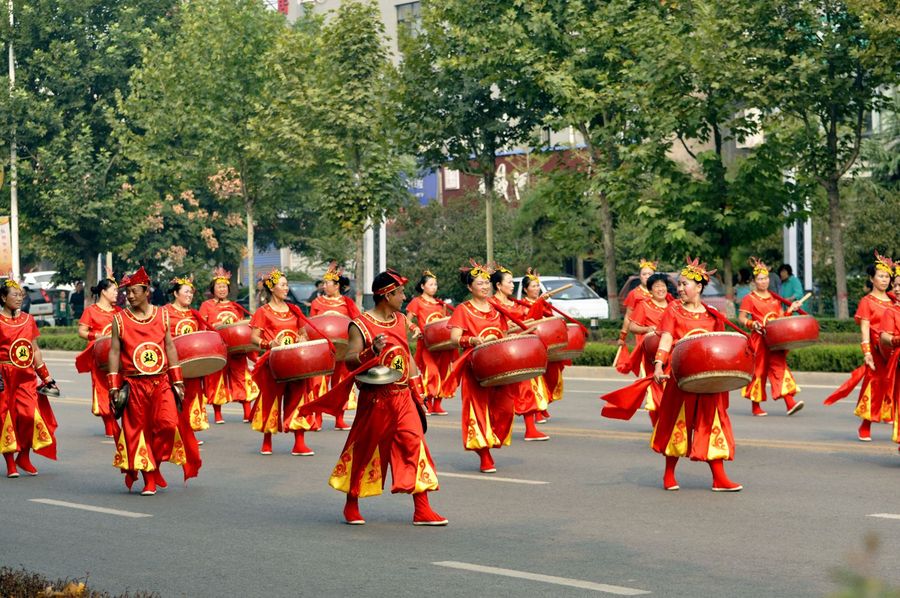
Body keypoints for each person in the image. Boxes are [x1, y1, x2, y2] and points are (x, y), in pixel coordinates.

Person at [300, 269, 447, 526]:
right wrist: (371, 351)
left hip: (403, 397)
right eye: (399, 293)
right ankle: (351, 502)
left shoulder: (400, 320)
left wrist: (417, 391)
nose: (403, 297)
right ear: (387, 294)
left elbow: (408, 358)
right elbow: (349, 359)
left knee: (415, 444)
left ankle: (422, 508)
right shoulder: (360, 324)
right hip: (375, 398)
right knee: (365, 449)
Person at [602, 258, 743, 492]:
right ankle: (669, 474)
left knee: (711, 422)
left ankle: (719, 478)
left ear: (698, 287)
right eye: (678, 284)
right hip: (681, 375)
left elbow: (720, 345)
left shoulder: (712, 315)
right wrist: (658, 365)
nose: (679, 288)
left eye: (684, 284)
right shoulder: (673, 310)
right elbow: (666, 338)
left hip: (706, 379)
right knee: (677, 422)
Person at [107, 266, 201, 495]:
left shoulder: (162, 315)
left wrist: (177, 381)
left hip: (161, 382)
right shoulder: (119, 319)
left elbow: (169, 346)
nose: (129, 296)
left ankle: (156, 463)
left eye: (134, 291)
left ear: (146, 291)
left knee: (168, 425)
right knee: (140, 432)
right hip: (134, 384)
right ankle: (149, 477)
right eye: (126, 292)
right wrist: (113, 386)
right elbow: (114, 352)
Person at [447, 261, 513, 473]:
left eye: (487, 283)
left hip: (498, 368)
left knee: (506, 409)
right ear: (470, 287)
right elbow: (453, 338)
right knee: (478, 411)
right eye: (479, 283)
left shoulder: (496, 308)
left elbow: (503, 335)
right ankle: (485, 455)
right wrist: (471, 341)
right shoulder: (463, 310)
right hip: (475, 367)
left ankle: (491, 440)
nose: (485, 286)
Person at [825, 252, 895, 441]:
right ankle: (866, 424)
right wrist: (867, 353)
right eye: (880, 276)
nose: (884, 279)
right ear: (872, 279)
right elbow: (865, 328)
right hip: (877, 349)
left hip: (895, 349)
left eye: (887, 276)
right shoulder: (867, 302)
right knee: (873, 385)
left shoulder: (895, 301)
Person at [249, 268, 316, 456]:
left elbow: (303, 333)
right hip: (274, 362)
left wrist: (303, 339)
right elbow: (253, 337)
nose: (287, 288)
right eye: (283, 285)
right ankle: (267, 439)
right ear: (272, 288)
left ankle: (299, 443)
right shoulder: (263, 312)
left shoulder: (294, 310)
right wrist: (268, 343)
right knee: (270, 399)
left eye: (287, 285)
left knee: (298, 397)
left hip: (295, 363)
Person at [1, 278, 59, 479]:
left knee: (30, 416)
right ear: (2, 297)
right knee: (6, 418)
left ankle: (23, 456)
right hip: (4, 377)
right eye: (14, 295)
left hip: (26, 376)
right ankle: (10, 463)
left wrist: (46, 376)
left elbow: (34, 350)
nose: (19, 298)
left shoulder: (28, 319)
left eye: (21, 295)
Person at [490, 263, 550, 442]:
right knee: (500, 396)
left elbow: (531, 318)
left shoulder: (516, 303)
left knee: (527, 388)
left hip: (519, 352)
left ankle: (530, 429)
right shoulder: (492, 304)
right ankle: (493, 429)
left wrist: (539, 303)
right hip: (501, 353)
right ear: (499, 285)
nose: (512, 285)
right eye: (508, 282)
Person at [738, 258, 805, 417]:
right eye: (760, 279)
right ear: (754, 281)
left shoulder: (774, 298)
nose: (764, 281)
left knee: (779, 367)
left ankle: (790, 403)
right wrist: (751, 324)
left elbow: (780, 318)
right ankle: (756, 406)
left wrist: (791, 309)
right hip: (759, 340)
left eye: (766, 278)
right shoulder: (750, 298)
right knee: (758, 371)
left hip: (774, 339)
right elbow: (741, 318)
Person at [198, 267, 257, 423]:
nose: (222, 289)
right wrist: (216, 325)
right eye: (219, 286)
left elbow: (243, 328)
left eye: (224, 286)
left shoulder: (235, 307)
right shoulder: (206, 306)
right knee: (216, 379)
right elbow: (202, 327)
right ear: (213, 289)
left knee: (242, 377)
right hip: (218, 348)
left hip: (235, 349)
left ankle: (247, 412)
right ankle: (218, 414)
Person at [309, 263, 361, 430]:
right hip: (323, 351)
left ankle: (339, 417)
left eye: (327, 283)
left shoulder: (347, 302)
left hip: (342, 349)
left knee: (341, 383)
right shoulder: (317, 302)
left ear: (337, 285)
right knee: (319, 383)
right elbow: (311, 325)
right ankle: (317, 417)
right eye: (324, 284)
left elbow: (358, 322)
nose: (324, 286)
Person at [405, 270, 458, 416]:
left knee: (443, 372)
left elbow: (444, 323)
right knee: (431, 372)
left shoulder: (440, 304)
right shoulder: (417, 302)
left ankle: (437, 405)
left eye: (435, 284)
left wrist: (445, 313)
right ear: (423, 286)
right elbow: (407, 319)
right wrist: (414, 327)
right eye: (431, 284)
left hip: (442, 345)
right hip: (427, 344)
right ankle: (427, 401)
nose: (434, 287)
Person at [163, 276, 210, 439]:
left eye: (191, 292)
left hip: (193, 365)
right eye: (186, 292)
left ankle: (188, 433)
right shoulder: (165, 312)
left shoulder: (194, 314)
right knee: (174, 397)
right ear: (176, 293)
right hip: (173, 363)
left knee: (192, 396)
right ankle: (174, 431)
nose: (190, 295)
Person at [624, 272, 674, 424]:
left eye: (663, 286)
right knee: (655, 386)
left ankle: (670, 419)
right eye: (656, 286)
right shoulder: (644, 305)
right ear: (651, 290)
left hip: (671, 353)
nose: (660, 289)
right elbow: (632, 326)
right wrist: (647, 330)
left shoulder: (673, 305)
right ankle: (658, 421)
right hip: (651, 354)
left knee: (671, 387)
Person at [76, 274, 122, 437]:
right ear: (104, 291)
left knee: (120, 386)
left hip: (118, 357)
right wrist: (97, 337)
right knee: (103, 390)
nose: (117, 293)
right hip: (100, 356)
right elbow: (82, 331)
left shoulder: (119, 312)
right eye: (114, 290)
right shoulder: (91, 311)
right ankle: (110, 426)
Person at [616, 259, 659, 374]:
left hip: (659, 331)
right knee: (646, 361)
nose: (647, 277)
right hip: (642, 331)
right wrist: (622, 336)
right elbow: (628, 317)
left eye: (650, 274)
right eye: (644, 274)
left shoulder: (660, 292)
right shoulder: (634, 294)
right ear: (639, 276)